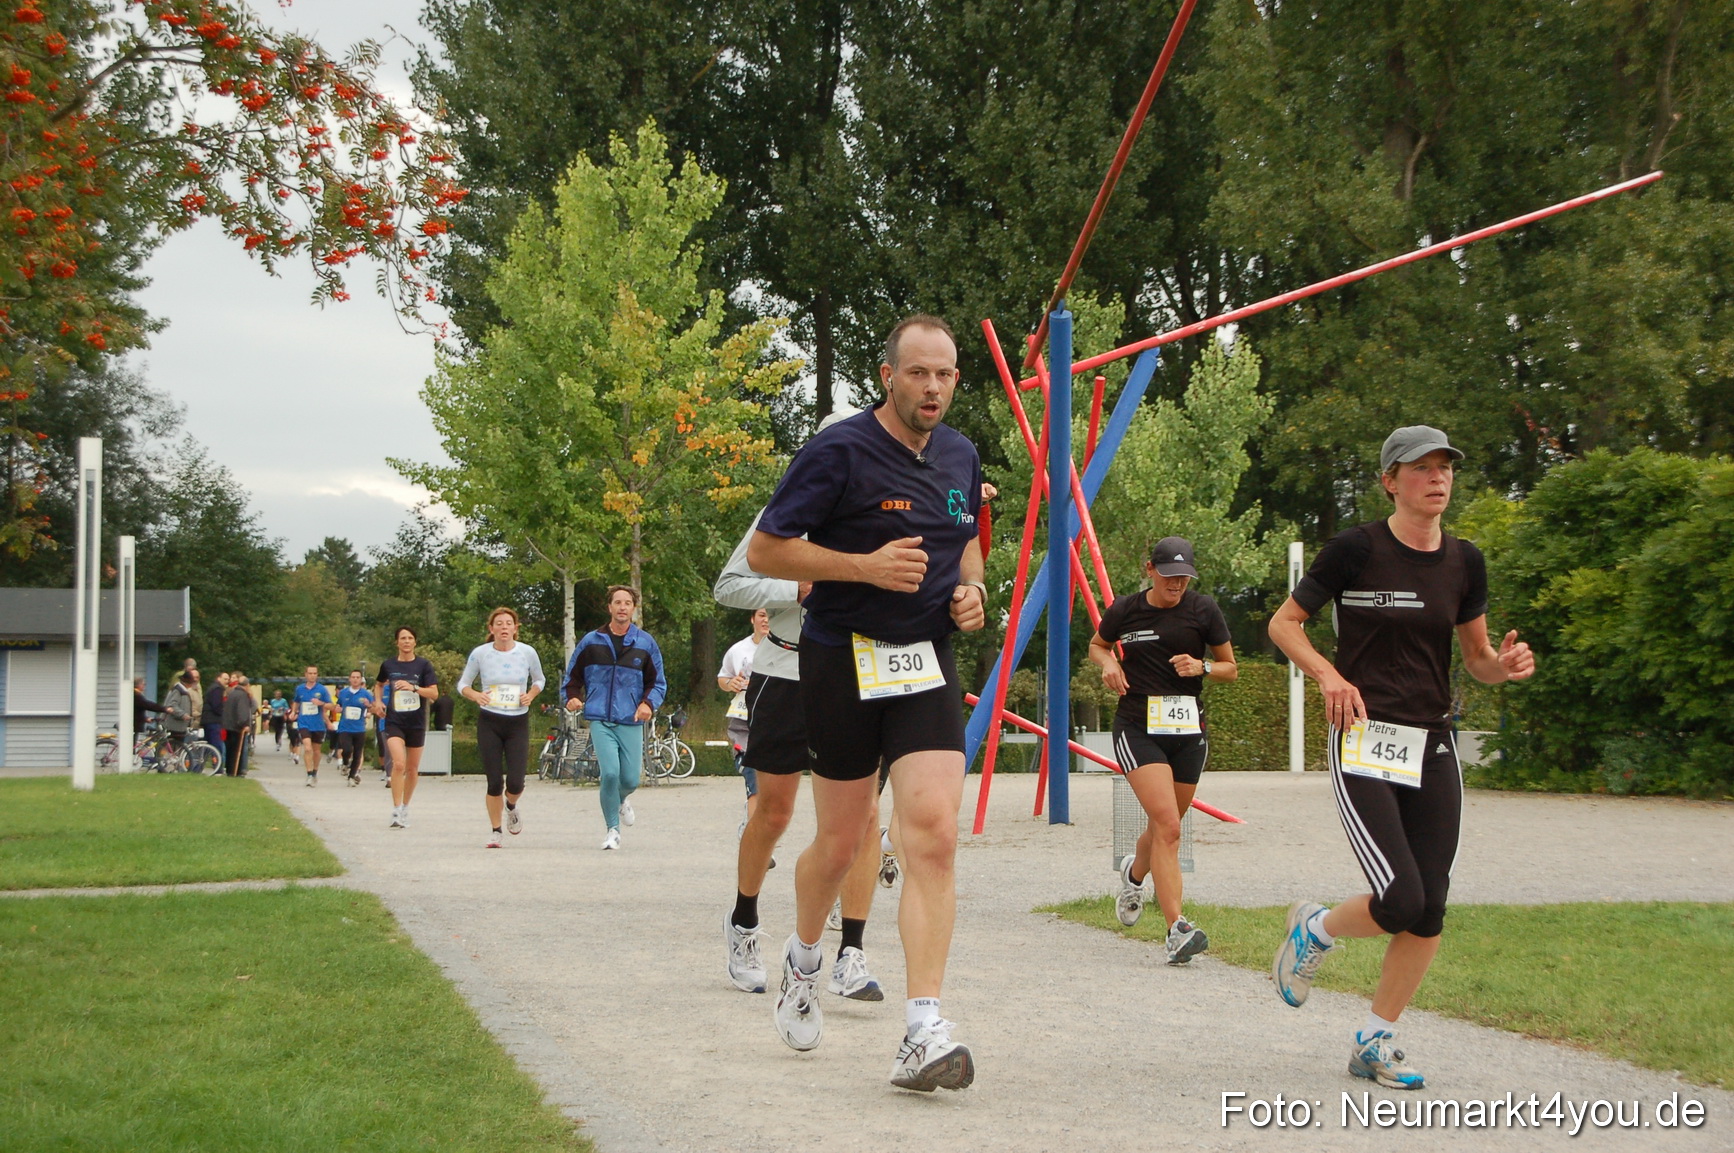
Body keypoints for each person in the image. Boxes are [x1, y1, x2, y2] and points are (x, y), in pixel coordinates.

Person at [746, 314, 985, 1092]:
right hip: (841, 661)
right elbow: (767, 550)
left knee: (934, 834)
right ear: (889, 375)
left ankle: (923, 1028)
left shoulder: (959, 453)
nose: (933, 387)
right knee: (842, 844)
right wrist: (862, 566)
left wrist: (972, 590)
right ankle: (804, 957)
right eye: (919, 373)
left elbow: (967, 538)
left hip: (925, 666)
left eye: (945, 374)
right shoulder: (839, 449)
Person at [1267, 425, 1535, 1091]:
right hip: (1363, 733)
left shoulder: (1465, 561)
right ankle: (1316, 930)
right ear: (1391, 480)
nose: (1437, 478)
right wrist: (1329, 675)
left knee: (1431, 904)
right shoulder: (1357, 549)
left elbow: (1475, 658)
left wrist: (1502, 667)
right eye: (1421, 468)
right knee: (1400, 896)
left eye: (1445, 467)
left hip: (1432, 741)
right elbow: (1282, 624)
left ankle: (1373, 1040)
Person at [715, 506, 890, 1004]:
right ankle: (744, 919)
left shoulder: (889, 502)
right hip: (786, 671)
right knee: (774, 811)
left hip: (861, 672)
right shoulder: (790, 510)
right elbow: (728, 586)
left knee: (866, 815)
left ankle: (851, 953)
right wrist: (794, 589)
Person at [1089, 536, 1238, 963]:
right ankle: (1177, 929)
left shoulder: (1204, 609)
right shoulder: (1126, 609)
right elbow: (1097, 645)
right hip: (1138, 727)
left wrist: (1203, 666)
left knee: (1163, 828)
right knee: (1169, 826)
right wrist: (1109, 664)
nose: (1177, 585)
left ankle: (1134, 875)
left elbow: (1231, 668)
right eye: (1170, 577)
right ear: (1150, 570)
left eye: (1184, 578)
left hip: (1188, 730)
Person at [562, 586, 666, 850]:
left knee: (630, 779)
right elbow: (571, 678)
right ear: (609, 607)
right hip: (600, 718)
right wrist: (571, 697)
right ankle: (612, 830)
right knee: (610, 773)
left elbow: (658, 683)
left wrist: (648, 704)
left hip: (630, 718)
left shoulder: (645, 643)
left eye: (627, 603)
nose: (622, 607)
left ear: (633, 608)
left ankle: (620, 800)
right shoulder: (591, 641)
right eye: (617, 602)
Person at [459, 607, 547, 848]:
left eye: (509, 623)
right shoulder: (481, 653)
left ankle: (511, 805)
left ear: (515, 628)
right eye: (499, 623)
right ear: (491, 629)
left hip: (518, 721)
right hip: (490, 720)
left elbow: (540, 679)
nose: (504, 627)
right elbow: (463, 685)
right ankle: (496, 831)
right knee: (494, 781)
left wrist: (531, 694)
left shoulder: (527, 652)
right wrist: (476, 695)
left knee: (517, 782)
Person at [373, 627, 440, 828]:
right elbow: (378, 684)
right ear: (397, 642)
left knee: (412, 769)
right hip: (394, 721)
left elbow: (434, 694)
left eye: (410, 638)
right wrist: (377, 702)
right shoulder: (389, 665)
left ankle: (405, 806)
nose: (407, 641)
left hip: (416, 723)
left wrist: (414, 688)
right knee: (399, 764)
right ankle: (395, 810)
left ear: (415, 642)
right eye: (403, 638)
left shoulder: (423, 665)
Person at [716, 608, 770, 823]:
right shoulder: (738, 650)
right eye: (762, 615)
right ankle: (754, 837)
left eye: (771, 615)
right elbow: (723, 678)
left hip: (774, 724)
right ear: (752, 619)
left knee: (771, 790)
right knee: (754, 779)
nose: (766, 620)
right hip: (744, 725)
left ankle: (755, 825)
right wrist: (731, 683)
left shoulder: (786, 650)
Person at [293, 666, 333, 786]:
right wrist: (293, 712)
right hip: (304, 723)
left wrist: (320, 703)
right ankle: (309, 774)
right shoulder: (300, 689)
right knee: (307, 747)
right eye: (310, 673)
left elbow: (331, 705)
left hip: (318, 724)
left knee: (316, 751)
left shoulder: (322, 689)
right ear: (305, 674)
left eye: (314, 673)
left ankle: (315, 772)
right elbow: (296, 701)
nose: (312, 675)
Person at [335, 670, 374, 786]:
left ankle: (351, 777)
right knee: (347, 749)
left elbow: (374, 708)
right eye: (353, 677)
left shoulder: (366, 694)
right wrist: (337, 708)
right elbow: (339, 705)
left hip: (359, 728)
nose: (355, 679)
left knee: (357, 753)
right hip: (345, 727)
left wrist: (369, 706)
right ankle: (345, 763)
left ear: (361, 679)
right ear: (349, 679)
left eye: (358, 677)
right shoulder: (344, 693)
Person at [221, 674, 255, 777]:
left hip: (228, 725)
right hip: (237, 727)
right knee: (236, 751)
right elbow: (242, 712)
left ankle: (230, 771)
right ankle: (237, 771)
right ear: (247, 685)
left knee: (230, 750)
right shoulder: (242, 695)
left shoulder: (232, 693)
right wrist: (244, 724)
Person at [160, 670, 198, 762]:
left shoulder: (182, 690)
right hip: (174, 724)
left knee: (175, 746)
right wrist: (183, 714)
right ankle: (161, 762)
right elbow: (172, 705)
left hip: (180, 725)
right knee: (170, 745)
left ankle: (168, 763)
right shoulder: (178, 690)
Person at [201, 670, 230, 750]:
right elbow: (216, 705)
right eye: (225, 679)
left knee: (208, 744)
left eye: (228, 679)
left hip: (208, 719)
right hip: (213, 720)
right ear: (218, 678)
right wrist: (222, 713)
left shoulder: (213, 687)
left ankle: (206, 760)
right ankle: (217, 761)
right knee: (216, 745)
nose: (227, 681)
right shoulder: (217, 689)